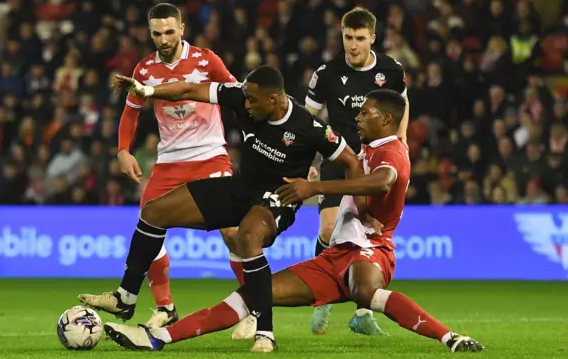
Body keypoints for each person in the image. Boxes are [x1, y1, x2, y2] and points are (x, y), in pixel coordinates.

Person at [101, 90, 483, 353]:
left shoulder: (394, 154)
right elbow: (357, 177)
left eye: (365, 112)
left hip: (371, 248)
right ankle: (157, 339)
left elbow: (383, 182)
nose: (358, 115)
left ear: (385, 119)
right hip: (334, 257)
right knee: (254, 292)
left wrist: (310, 189)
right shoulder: (370, 146)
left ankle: (449, 338)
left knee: (365, 291)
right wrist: (315, 178)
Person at [80, 65, 363, 352]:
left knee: (247, 238)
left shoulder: (309, 127)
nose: (247, 104)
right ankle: (126, 296)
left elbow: (352, 162)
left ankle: (265, 332)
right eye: (246, 98)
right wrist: (148, 91)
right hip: (239, 189)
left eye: (253, 100)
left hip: (278, 197)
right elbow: (189, 89)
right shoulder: (241, 96)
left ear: (275, 100)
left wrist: (346, 205)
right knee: (153, 212)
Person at [82, 3, 242, 329]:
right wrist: (123, 150)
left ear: (182, 29)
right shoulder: (143, 70)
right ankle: (165, 308)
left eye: (170, 32)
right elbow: (130, 112)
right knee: (149, 225)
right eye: (157, 33)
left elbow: (238, 94)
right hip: (169, 161)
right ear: (150, 32)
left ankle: (251, 307)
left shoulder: (206, 60)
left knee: (232, 232)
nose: (164, 39)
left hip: (210, 155)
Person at [303, 7, 411, 336]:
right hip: (339, 157)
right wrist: (308, 160)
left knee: (370, 234)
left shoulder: (391, 70)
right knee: (327, 229)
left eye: (360, 38)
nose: (353, 44)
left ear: (372, 39)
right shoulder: (327, 73)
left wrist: (402, 142)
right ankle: (323, 299)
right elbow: (309, 118)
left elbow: (402, 105)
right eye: (348, 37)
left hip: (375, 158)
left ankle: (363, 311)